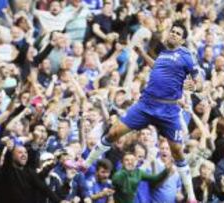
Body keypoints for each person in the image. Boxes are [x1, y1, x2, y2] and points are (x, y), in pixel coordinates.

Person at [85, 21, 202, 202]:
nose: (174, 34)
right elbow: (156, 67)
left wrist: (194, 87)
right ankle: (85, 164)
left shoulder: (186, 55)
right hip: (146, 104)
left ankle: (191, 195)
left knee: (178, 152)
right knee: (114, 132)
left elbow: (199, 83)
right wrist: (142, 54)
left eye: (178, 33)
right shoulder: (164, 53)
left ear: (183, 39)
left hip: (168, 109)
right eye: (173, 31)